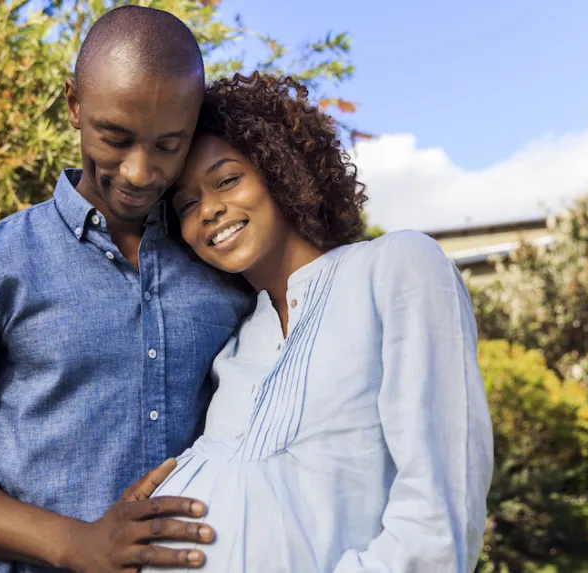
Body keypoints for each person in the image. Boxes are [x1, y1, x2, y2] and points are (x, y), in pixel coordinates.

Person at [0, 7, 253, 573]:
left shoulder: (222, 267)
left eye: (170, 145)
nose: (140, 172)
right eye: (115, 138)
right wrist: (74, 543)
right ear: (74, 105)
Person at [151, 73, 494, 572]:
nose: (209, 210)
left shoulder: (395, 267)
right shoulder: (234, 342)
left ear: (279, 169)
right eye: (186, 203)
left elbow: (439, 514)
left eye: (227, 179)